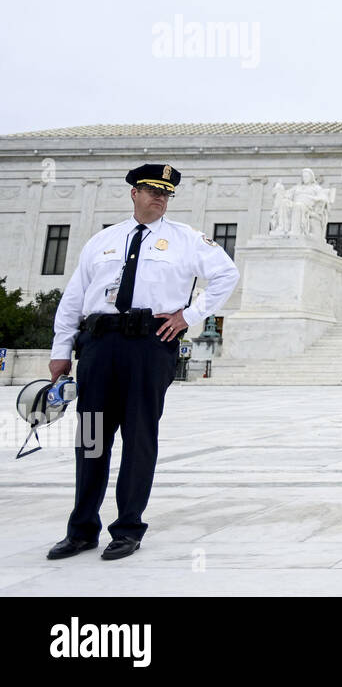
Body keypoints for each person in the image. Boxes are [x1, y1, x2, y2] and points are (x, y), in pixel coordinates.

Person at [45, 164, 240, 561]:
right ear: (134, 192)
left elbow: (226, 275)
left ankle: (128, 528)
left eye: (166, 193)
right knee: (92, 438)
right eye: (152, 190)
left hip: (149, 346)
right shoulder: (103, 240)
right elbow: (74, 297)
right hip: (98, 346)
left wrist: (189, 315)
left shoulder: (187, 240)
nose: (160, 197)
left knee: (138, 437)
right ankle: (82, 529)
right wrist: (60, 351)